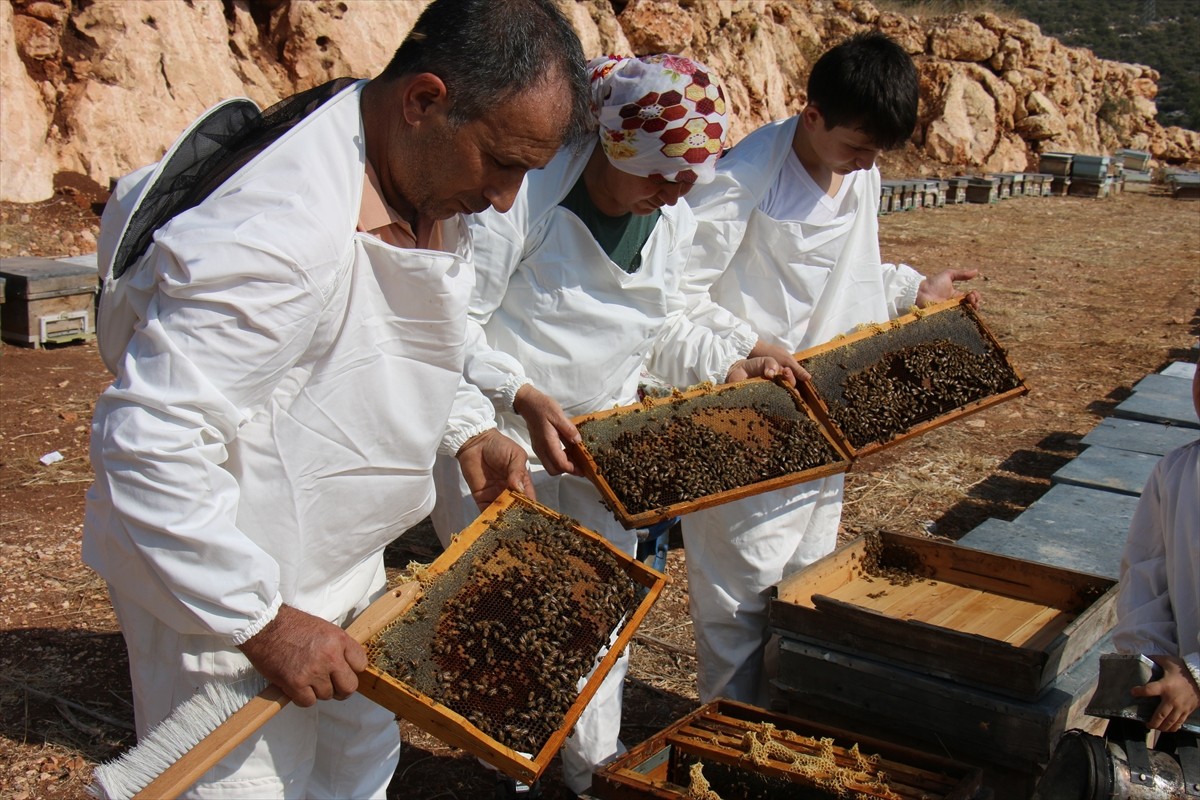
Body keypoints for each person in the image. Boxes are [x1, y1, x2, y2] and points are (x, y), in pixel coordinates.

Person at [82, 1, 591, 797]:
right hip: (223, 587)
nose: (504, 197)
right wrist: (262, 622)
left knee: (357, 771)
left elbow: (397, 334)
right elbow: (148, 444)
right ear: (423, 101)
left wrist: (465, 429)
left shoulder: (414, 166)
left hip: (346, 565)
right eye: (500, 162)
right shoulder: (276, 232)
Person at [431, 54, 790, 796]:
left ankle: (593, 771)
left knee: (599, 613)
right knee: (511, 622)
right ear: (613, 146)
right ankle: (512, 775)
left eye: (685, 180)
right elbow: (449, 324)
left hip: (599, 445)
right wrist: (519, 394)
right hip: (494, 442)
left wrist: (728, 364)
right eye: (658, 175)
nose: (670, 195)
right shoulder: (525, 201)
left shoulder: (669, 217)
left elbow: (662, 326)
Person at [678, 30, 983, 706]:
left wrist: (912, 290)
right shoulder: (741, 180)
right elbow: (674, 293)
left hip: (827, 416)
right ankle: (725, 736)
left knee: (803, 580)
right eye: (856, 147)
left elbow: (844, 274)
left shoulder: (859, 170)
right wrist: (746, 346)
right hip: (745, 417)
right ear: (812, 116)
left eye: (876, 153)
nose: (865, 163)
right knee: (739, 596)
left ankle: (777, 732)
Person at [1109, 361, 1199, 741]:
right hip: (1181, 700)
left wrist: (1196, 675)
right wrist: (1155, 656)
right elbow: (1146, 572)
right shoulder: (1177, 470)